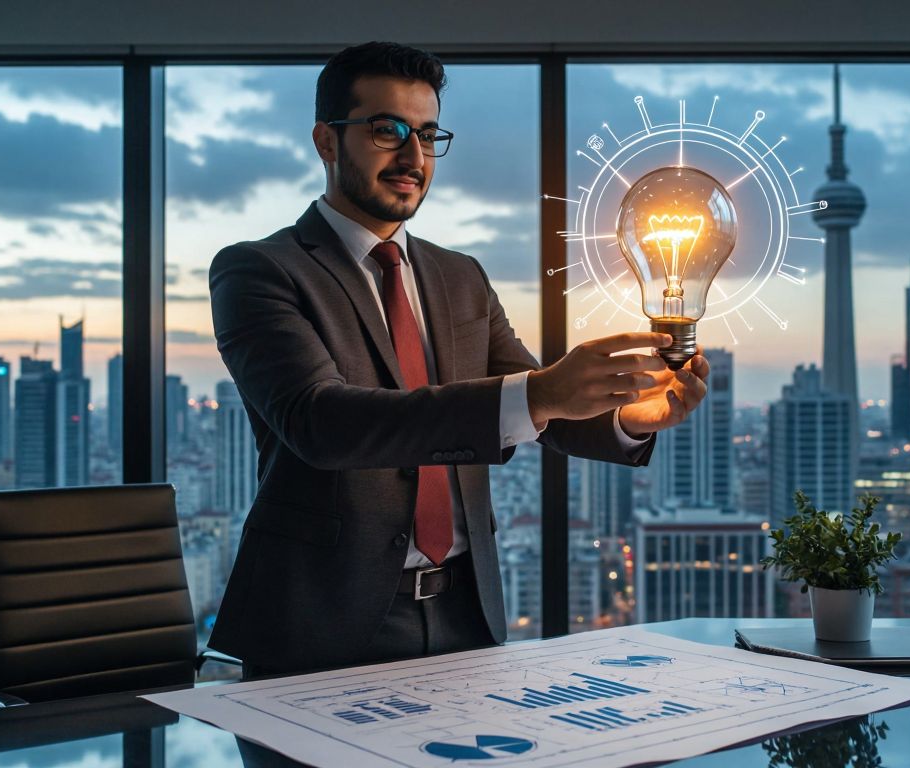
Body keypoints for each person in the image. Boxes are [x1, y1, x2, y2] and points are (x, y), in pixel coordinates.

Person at [208, 41, 710, 682]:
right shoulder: (261, 270)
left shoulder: (460, 277)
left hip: (468, 618)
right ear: (326, 142)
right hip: (320, 626)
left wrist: (631, 418)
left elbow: (541, 408)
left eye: (427, 134)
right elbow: (319, 422)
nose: (412, 156)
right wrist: (539, 394)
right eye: (386, 130)